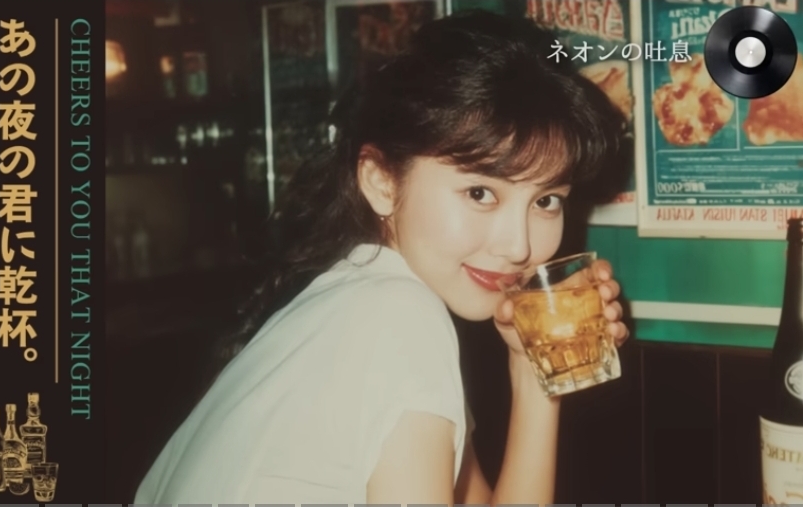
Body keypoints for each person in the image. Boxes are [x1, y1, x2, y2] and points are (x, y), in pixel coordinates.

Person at [134, 9, 630, 505]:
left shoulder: (355, 295)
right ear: (381, 181)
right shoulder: (399, 315)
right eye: (480, 193)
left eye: (547, 201)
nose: (519, 246)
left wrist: (535, 370)